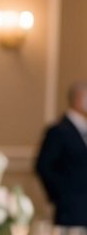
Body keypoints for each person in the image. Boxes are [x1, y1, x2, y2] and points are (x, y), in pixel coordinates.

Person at [35, 81, 87, 226]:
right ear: (79, 99)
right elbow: (43, 166)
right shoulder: (58, 130)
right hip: (71, 209)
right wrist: (62, 196)